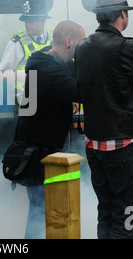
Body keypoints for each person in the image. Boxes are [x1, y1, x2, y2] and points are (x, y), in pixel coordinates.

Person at [74, 0, 133, 239]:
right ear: (123, 15)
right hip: (124, 148)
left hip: (94, 147)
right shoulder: (127, 47)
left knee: (105, 214)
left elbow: (80, 92)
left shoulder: (82, 47)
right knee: (128, 220)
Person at [15, 20, 85, 239]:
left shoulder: (49, 59)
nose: (82, 49)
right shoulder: (46, 67)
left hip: (42, 145)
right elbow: (79, 92)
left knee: (43, 208)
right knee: (40, 209)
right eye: (81, 43)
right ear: (68, 42)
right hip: (36, 150)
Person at [0, 0, 53, 106]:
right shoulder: (18, 42)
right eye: (26, 20)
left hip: (52, 103)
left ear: (43, 20)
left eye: (32, 21)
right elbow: (0, 75)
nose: (27, 24)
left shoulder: (55, 39)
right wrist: (17, 75)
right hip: (27, 105)